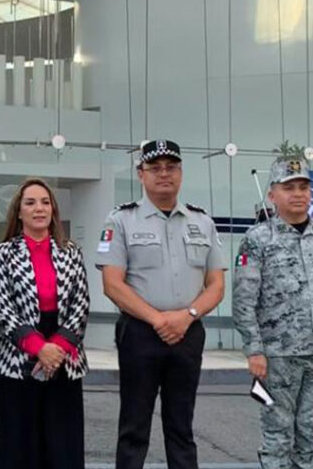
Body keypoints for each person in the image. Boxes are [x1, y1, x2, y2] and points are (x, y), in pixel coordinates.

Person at [96, 139, 226, 469]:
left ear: (180, 172)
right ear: (141, 174)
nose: (164, 174)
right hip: (140, 333)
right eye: (155, 168)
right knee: (134, 428)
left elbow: (216, 285)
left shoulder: (202, 222)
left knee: (181, 428)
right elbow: (112, 284)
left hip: (187, 333)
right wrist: (158, 319)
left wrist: (187, 316)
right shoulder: (121, 220)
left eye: (171, 167)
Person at [232, 155, 313, 469]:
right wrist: (254, 350)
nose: (298, 193)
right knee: (276, 436)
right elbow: (244, 300)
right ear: (272, 194)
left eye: (303, 186)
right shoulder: (258, 240)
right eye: (289, 187)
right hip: (276, 359)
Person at [0, 178, 89, 469]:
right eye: (30, 203)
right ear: (19, 212)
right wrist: (39, 349)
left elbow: (80, 305)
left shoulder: (71, 251)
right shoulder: (2, 254)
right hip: (18, 361)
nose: (38, 208)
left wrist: (56, 349)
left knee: (63, 447)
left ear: (53, 210)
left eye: (45, 202)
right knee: (20, 448)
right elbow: (3, 308)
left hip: (64, 359)